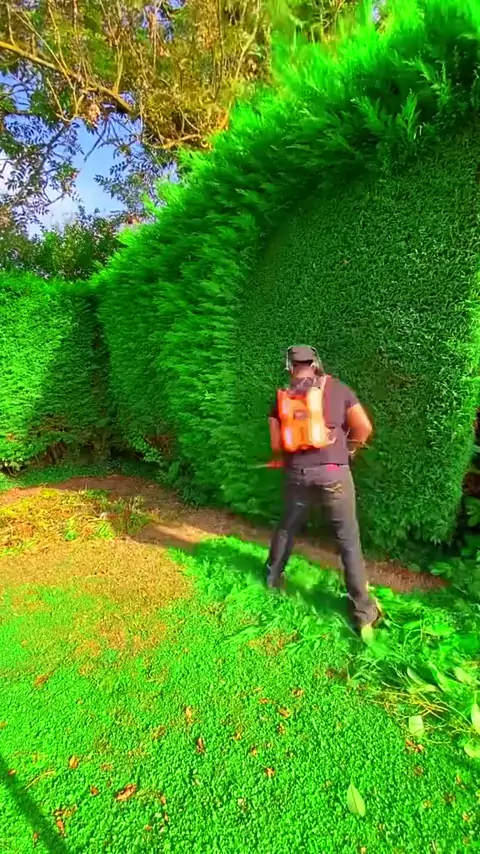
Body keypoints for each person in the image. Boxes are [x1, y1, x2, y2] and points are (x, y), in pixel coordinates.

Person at [265, 345, 381, 632]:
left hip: (297, 474)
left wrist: (285, 457)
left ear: (289, 366)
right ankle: (364, 612)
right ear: (316, 362)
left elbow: (277, 444)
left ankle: (272, 578)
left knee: (287, 527)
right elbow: (364, 428)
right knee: (348, 539)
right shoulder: (338, 389)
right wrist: (349, 450)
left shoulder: (282, 398)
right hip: (334, 474)